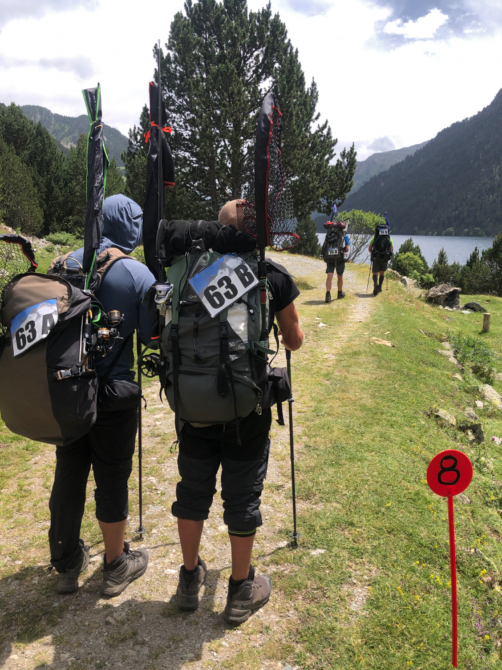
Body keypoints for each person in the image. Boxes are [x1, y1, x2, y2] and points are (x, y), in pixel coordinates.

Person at [172, 200, 304, 625]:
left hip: (193, 404)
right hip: (247, 406)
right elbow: (294, 340)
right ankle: (240, 589)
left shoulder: (187, 273)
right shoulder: (269, 273)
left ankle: (189, 579)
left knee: (192, 491)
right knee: (242, 495)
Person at [48, 194, 155, 596]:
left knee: (68, 471)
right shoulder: (136, 273)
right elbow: (151, 336)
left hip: (65, 390)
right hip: (113, 391)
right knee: (112, 474)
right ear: (131, 227)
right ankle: (115, 564)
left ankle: (66, 563)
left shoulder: (64, 264)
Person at [322, 224, 350, 303]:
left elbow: (324, 245)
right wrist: (341, 251)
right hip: (339, 258)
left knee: (329, 276)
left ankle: (328, 295)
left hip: (329, 258)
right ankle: (339, 293)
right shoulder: (344, 235)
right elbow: (347, 249)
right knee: (340, 276)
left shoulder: (329, 234)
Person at [368, 228, 394, 296]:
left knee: (375, 272)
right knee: (382, 272)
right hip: (385, 258)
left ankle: (375, 284)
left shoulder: (375, 237)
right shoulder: (389, 238)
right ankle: (379, 287)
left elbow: (370, 248)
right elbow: (391, 249)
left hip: (376, 257)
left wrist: (373, 254)